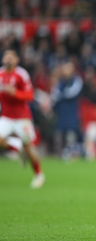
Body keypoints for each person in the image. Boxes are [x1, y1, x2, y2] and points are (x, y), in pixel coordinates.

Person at [0, 49, 45, 188]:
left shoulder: (21, 74)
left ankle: (39, 175)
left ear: (16, 60)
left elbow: (30, 95)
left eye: (11, 56)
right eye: (6, 56)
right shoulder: (0, 74)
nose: (8, 59)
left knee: (29, 147)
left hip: (22, 117)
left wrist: (15, 93)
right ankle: (17, 146)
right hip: (6, 116)